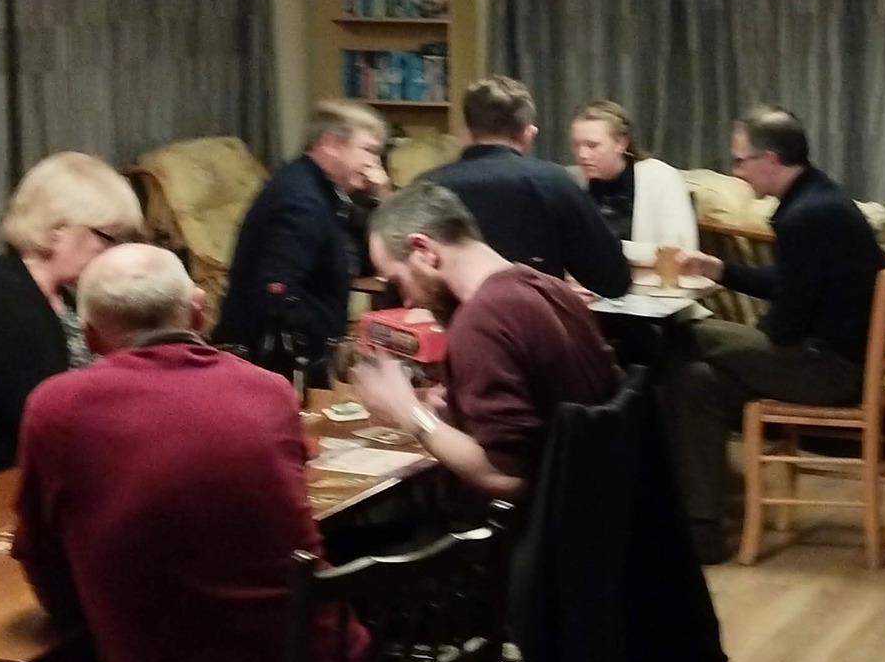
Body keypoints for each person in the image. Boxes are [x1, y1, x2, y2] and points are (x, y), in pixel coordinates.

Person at [12, 243, 365, 662]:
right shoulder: (267, 390)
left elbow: (47, 576)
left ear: (92, 338)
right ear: (198, 312)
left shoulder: (56, 409)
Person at [666, 105, 885, 559]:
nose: (736, 170)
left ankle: (658, 497)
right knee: (696, 381)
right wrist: (723, 269)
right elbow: (794, 283)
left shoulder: (804, 217)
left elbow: (784, 326)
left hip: (826, 369)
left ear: (770, 160)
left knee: (672, 335)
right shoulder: (820, 197)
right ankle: (703, 529)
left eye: (741, 160)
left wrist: (745, 342)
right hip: (835, 357)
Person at [352, 182, 622, 504]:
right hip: (603, 507)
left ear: (424, 251)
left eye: (399, 283)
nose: (407, 302)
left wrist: (408, 410)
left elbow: (507, 475)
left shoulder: (481, 321)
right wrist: (458, 412)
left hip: (540, 535)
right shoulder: (551, 287)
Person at [0, 152, 143, 499]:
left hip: (29, 480)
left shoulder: (55, 297)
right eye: (106, 236)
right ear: (58, 232)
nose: (110, 251)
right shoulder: (1, 301)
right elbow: (49, 419)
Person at [212, 100, 388, 366]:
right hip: (271, 361)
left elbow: (363, 262)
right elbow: (277, 292)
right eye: (368, 150)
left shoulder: (324, 191)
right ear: (330, 143)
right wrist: (326, 344)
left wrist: (377, 197)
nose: (374, 164)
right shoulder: (301, 200)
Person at [422, 77, 631, 298]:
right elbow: (613, 279)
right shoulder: (554, 182)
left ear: (466, 133)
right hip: (530, 325)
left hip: (448, 325)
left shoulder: (425, 186)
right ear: (527, 134)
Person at [568, 100, 699, 265]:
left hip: (648, 283)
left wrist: (613, 248)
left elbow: (679, 250)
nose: (582, 154)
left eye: (592, 146)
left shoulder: (660, 178)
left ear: (621, 143)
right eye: (576, 145)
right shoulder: (574, 181)